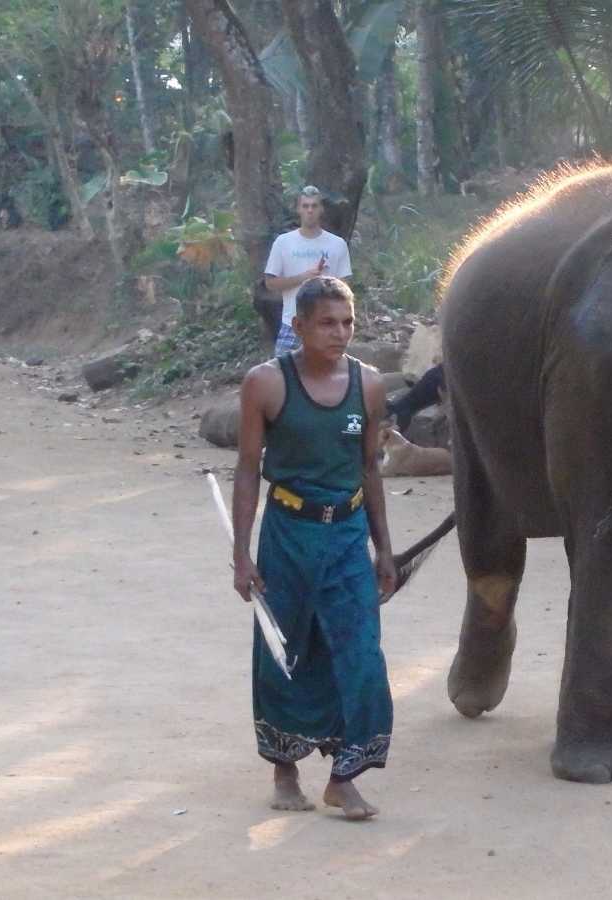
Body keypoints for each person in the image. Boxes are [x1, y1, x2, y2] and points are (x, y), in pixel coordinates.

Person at [232, 276, 396, 820]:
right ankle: (285, 770)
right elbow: (248, 471)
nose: (341, 333)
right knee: (285, 650)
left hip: (347, 534)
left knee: (361, 655)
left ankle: (344, 777)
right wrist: (241, 553)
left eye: (348, 321)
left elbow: (369, 469)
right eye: (327, 322)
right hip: (287, 534)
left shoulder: (369, 386)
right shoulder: (266, 385)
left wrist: (385, 551)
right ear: (298, 326)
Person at [263, 186, 353, 357]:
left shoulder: (337, 244)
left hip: (327, 326)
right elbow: (270, 283)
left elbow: (346, 288)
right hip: (292, 324)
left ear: (321, 209)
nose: (310, 210)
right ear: (299, 209)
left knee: (328, 378)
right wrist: (303, 278)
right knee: (284, 377)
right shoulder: (283, 243)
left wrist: (326, 283)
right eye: (305, 206)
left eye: (314, 206)